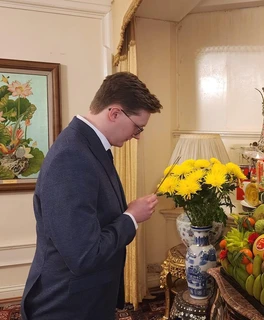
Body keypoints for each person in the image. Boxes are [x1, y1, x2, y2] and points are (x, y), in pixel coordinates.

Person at [20, 72, 162, 320]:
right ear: (115, 113)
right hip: (66, 305)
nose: (138, 135)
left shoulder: (90, 145)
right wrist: (131, 217)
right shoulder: (71, 156)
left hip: (86, 297)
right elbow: (84, 255)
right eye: (137, 127)